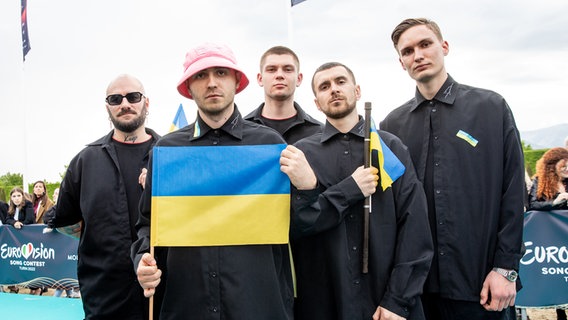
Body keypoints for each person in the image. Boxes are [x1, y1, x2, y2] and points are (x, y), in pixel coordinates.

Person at [132, 43, 293, 319]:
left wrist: (308, 184)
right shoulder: (167, 151)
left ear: (236, 81)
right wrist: (142, 259)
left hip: (258, 306)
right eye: (200, 75)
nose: (212, 83)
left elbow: (298, 221)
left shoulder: (270, 145)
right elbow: (148, 224)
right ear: (188, 87)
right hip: (186, 306)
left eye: (220, 73)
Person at [380, 18, 525, 320]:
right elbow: (390, 211)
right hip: (419, 292)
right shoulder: (392, 126)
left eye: (425, 44)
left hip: (482, 285)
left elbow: (513, 193)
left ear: (443, 47)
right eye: (408, 51)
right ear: (401, 62)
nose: (417, 55)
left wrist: (506, 268)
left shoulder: (491, 107)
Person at [279, 61, 433, 320]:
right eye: (324, 86)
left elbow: (415, 227)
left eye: (341, 82)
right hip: (326, 303)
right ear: (317, 103)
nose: (334, 90)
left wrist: (398, 300)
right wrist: (348, 190)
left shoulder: (390, 147)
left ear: (357, 91)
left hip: (387, 304)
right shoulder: (302, 154)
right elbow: (296, 225)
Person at [47, 74, 160, 319]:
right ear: (107, 106)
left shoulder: (171, 153)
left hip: (163, 293)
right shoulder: (85, 161)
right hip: (105, 296)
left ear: (146, 102)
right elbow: (66, 221)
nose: (125, 104)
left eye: (133, 97)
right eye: (115, 99)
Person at [245, 45, 322, 144]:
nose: (279, 75)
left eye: (288, 69)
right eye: (271, 69)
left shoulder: (319, 134)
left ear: (299, 79)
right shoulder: (241, 132)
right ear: (260, 79)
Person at [527, 147, 568, 320]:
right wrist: (555, 202)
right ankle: (559, 311)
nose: (567, 169)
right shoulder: (539, 182)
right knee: (555, 275)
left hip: (565, 237)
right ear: (552, 166)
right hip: (550, 241)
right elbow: (533, 205)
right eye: (564, 165)